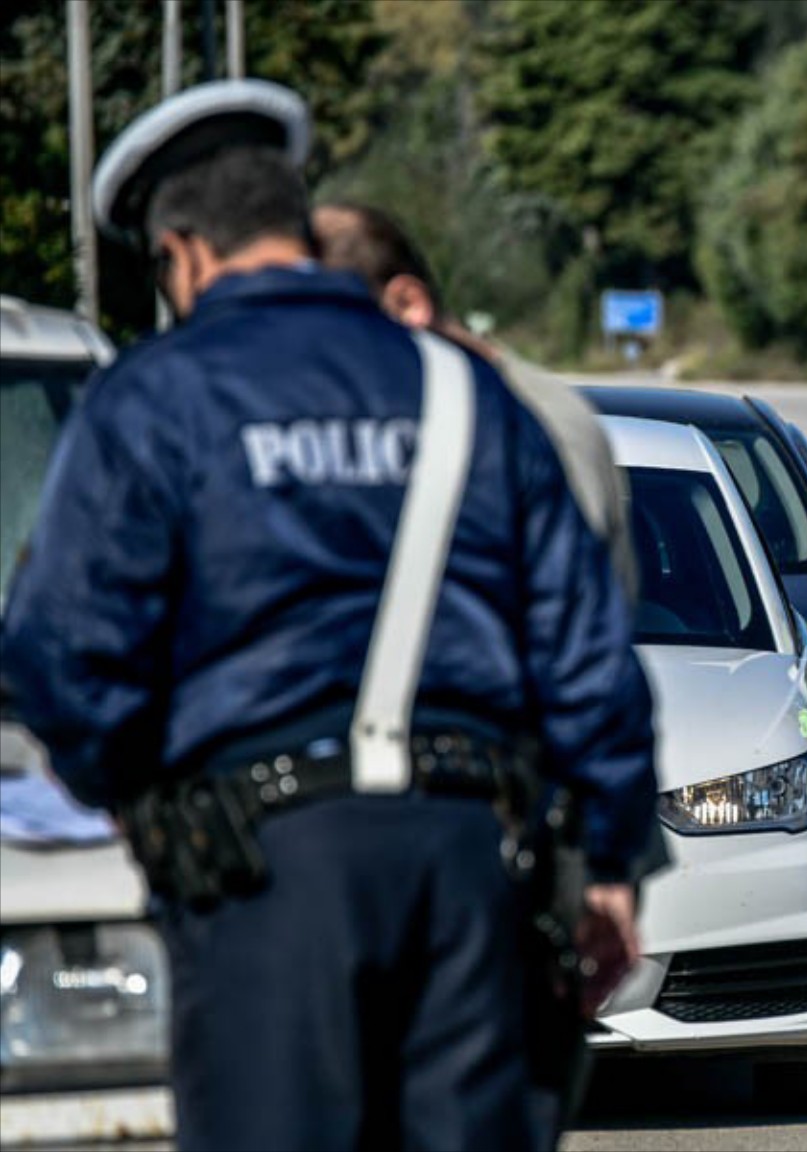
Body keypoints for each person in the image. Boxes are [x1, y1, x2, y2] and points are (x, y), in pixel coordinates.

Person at [0, 80, 657, 1149]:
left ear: (184, 254)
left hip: (259, 875)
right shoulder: (462, 392)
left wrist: (134, 791)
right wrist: (614, 866)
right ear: (294, 225)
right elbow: (587, 656)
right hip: (469, 865)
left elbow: (59, 651)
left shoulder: (156, 397)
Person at [310, 200, 641, 606]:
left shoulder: (539, 421)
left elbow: (577, 624)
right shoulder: (380, 418)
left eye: (332, 333)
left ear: (408, 305)